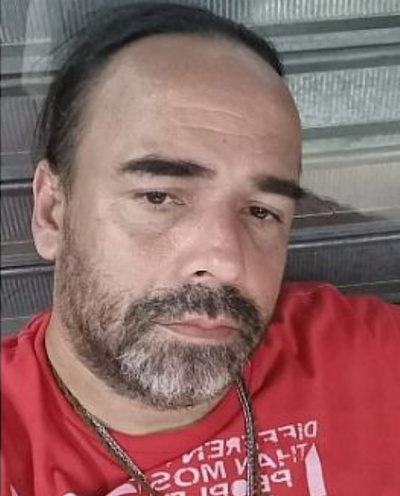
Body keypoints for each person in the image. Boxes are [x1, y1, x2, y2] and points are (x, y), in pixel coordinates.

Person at [1, 3, 399, 496]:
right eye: (158, 196)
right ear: (51, 212)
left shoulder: (368, 362)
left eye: (261, 211)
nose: (226, 262)